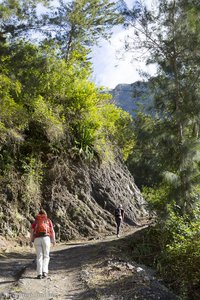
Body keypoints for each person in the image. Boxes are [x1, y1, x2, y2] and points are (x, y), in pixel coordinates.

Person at [30, 209, 56, 279]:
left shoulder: (35, 222)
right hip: (46, 239)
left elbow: (32, 232)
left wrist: (31, 241)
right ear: (45, 214)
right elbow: (52, 231)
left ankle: (39, 274)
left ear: (38, 214)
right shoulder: (48, 221)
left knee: (39, 257)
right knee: (46, 256)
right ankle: (45, 272)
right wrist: (53, 240)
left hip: (37, 239)